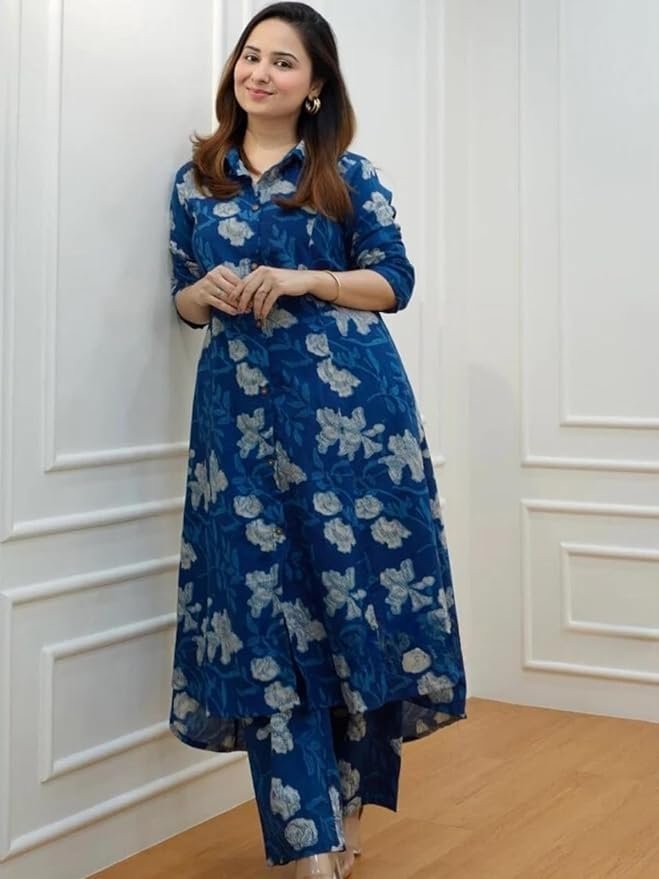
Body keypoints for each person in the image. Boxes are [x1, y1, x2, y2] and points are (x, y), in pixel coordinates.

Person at [166, 2, 467, 876]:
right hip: (237, 431)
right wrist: (203, 294)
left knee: (351, 613)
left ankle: (347, 804)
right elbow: (180, 296)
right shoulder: (195, 180)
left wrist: (304, 278)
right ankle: (309, 845)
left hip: (351, 429)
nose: (258, 72)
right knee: (264, 622)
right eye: (249, 56)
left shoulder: (346, 175)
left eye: (282, 61)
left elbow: (394, 280)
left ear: (315, 86)